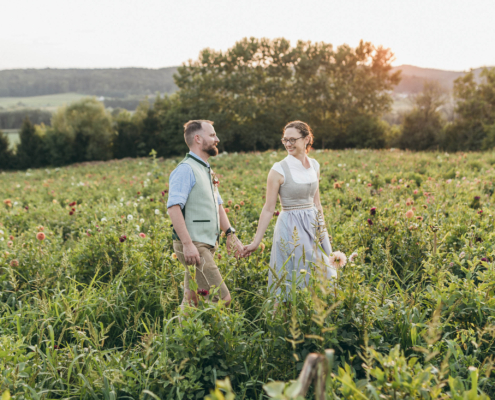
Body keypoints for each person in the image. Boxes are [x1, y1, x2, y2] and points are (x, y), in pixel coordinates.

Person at [243, 121, 336, 299]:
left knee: (324, 271)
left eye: (293, 139)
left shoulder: (315, 166)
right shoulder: (278, 170)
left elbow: (317, 203)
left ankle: (314, 318)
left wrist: (323, 232)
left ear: (306, 139)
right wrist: (256, 242)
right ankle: (282, 319)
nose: (288, 144)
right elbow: (269, 209)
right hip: (291, 226)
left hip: (312, 224)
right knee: (294, 273)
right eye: (285, 140)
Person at [167, 120, 244, 308]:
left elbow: (218, 205)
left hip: (205, 243)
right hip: (194, 245)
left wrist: (230, 233)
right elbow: (173, 207)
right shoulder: (186, 169)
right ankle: (217, 336)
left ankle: (180, 337)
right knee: (222, 299)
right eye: (212, 135)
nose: (217, 139)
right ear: (198, 139)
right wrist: (187, 244)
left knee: (191, 300)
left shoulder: (206, 169)